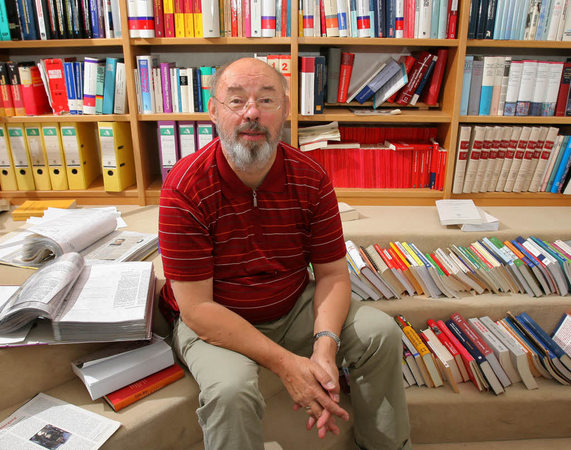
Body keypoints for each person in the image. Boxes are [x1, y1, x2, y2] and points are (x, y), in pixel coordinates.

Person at [158, 57, 411, 450]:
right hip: (216, 319)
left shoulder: (311, 177)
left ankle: (386, 446)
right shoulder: (184, 188)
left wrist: (324, 347)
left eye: (266, 100)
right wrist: (288, 365)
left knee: (380, 334)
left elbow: (332, 275)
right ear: (213, 111)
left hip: (292, 306)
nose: (252, 113)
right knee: (230, 392)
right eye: (237, 101)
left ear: (286, 111)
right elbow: (197, 310)